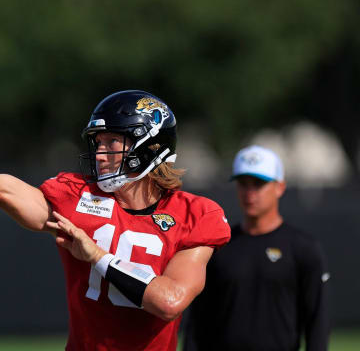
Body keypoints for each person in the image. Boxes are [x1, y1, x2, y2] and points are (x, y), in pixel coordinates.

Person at [0, 90, 231, 351]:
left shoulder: (196, 214)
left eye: (111, 142)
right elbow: (11, 192)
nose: (99, 154)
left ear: (149, 145)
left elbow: (169, 301)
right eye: (98, 143)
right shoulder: (78, 197)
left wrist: (98, 257)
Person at [183, 145, 330, 351]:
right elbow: (199, 319)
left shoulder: (303, 248)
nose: (250, 192)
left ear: (280, 187)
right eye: (243, 183)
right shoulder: (218, 245)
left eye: (258, 184)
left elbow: (317, 321)